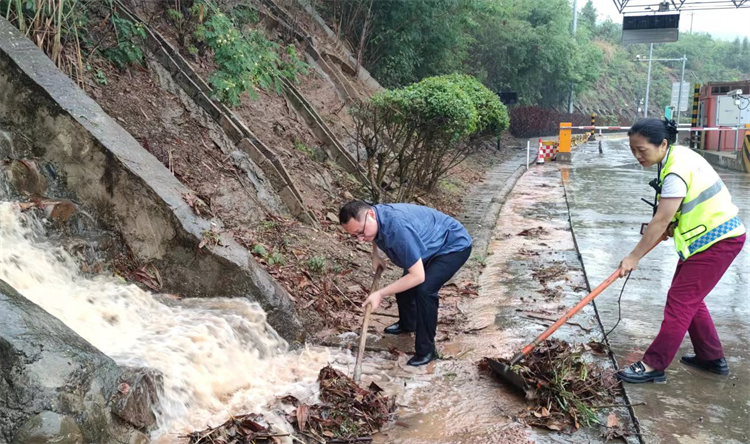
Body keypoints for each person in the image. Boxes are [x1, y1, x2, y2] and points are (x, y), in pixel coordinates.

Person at [616, 118, 745, 384]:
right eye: (633, 150)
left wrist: (634, 257)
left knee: (680, 302)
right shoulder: (679, 156)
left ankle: (653, 365)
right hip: (710, 240)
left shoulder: (675, 171)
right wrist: (668, 228)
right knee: (689, 299)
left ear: (663, 144)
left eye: (642, 150)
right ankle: (711, 357)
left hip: (717, 241)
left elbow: (661, 220)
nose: (638, 155)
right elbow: (672, 218)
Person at [339, 200, 472, 366]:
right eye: (355, 236)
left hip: (452, 245)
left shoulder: (397, 230)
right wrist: (376, 255)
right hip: (428, 242)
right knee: (404, 288)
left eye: (360, 233)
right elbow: (371, 233)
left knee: (424, 290)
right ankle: (408, 324)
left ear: (371, 215)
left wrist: (380, 293)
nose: (360, 239)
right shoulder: (373, 217)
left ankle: (427, 351)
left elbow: (417, 277)